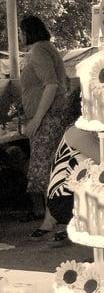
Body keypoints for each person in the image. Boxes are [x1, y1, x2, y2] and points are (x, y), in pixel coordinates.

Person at [19, 15, 71, 222]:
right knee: (52, 167)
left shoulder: (39, 50)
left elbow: (51, 85)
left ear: (28, 32)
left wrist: (36, 119)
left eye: (21, 32)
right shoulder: (48, 49)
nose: (21, 36)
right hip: (52, 116)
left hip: (46, 119)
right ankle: (54, 218)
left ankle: (54, 219)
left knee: (45, 170)